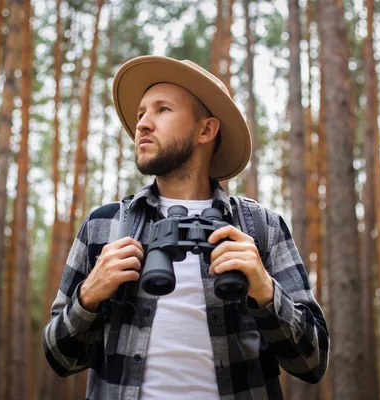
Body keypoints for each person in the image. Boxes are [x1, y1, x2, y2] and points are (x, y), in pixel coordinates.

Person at [43, 55, 329, 399]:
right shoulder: (105, 225)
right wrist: (88, 297)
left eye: (162, 110)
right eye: (140, 114)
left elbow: (312, 363)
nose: (143, 124)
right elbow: (59, 358)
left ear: (206, 129)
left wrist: (265, 290)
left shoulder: (261, 227)